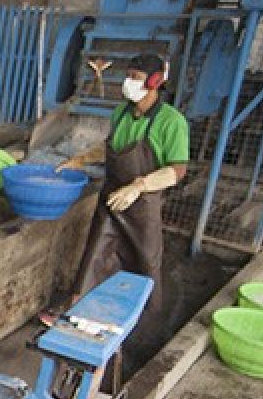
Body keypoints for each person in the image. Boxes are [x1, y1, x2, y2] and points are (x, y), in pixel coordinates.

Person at [58, 52, 188, 328]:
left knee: (145, 262)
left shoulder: (171, 121)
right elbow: (111, 148)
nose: (128, 83)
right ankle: (83, 316)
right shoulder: (121, 113)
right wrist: (80, 159)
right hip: (112, 197)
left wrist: (139, 186)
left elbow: (177, 171)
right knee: (96, 255)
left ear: (155, 82)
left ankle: (145, 326)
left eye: (135, 78)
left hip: (143, 205)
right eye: (127, 76)